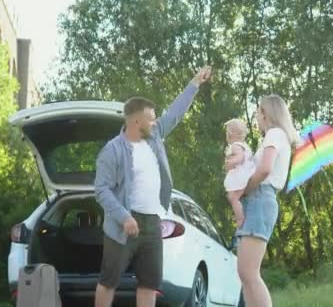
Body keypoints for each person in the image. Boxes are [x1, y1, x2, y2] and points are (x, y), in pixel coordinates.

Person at [94, 66, 212, 307]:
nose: (155, 120)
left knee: (149, 283)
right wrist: (124, 217)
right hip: (122, 223)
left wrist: (194, 84)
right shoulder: (113, 150)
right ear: (137, 120)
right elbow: (101, 190)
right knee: (109, 281)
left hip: (152, 223)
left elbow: (175, 114)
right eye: (150, 117)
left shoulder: (155, 135)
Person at [226, 94, 300, 307]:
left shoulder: (275, 134)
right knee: (245, 274)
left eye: (258, 111)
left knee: (249, 273)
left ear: (266, 113)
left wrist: (245, 189)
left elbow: (265, 168)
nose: (256, 116)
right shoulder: (273, 137)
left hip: (260, 198)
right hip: (257, 200)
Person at [223, 118, 255, 230]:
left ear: (231, 134)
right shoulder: (245, 146)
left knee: (233, 197)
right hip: (247, 175)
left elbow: (240, 158)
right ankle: (239, 213)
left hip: (241, 176)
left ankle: (240, 218)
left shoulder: (235, 146)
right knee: (236, 198)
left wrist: (231, 161)